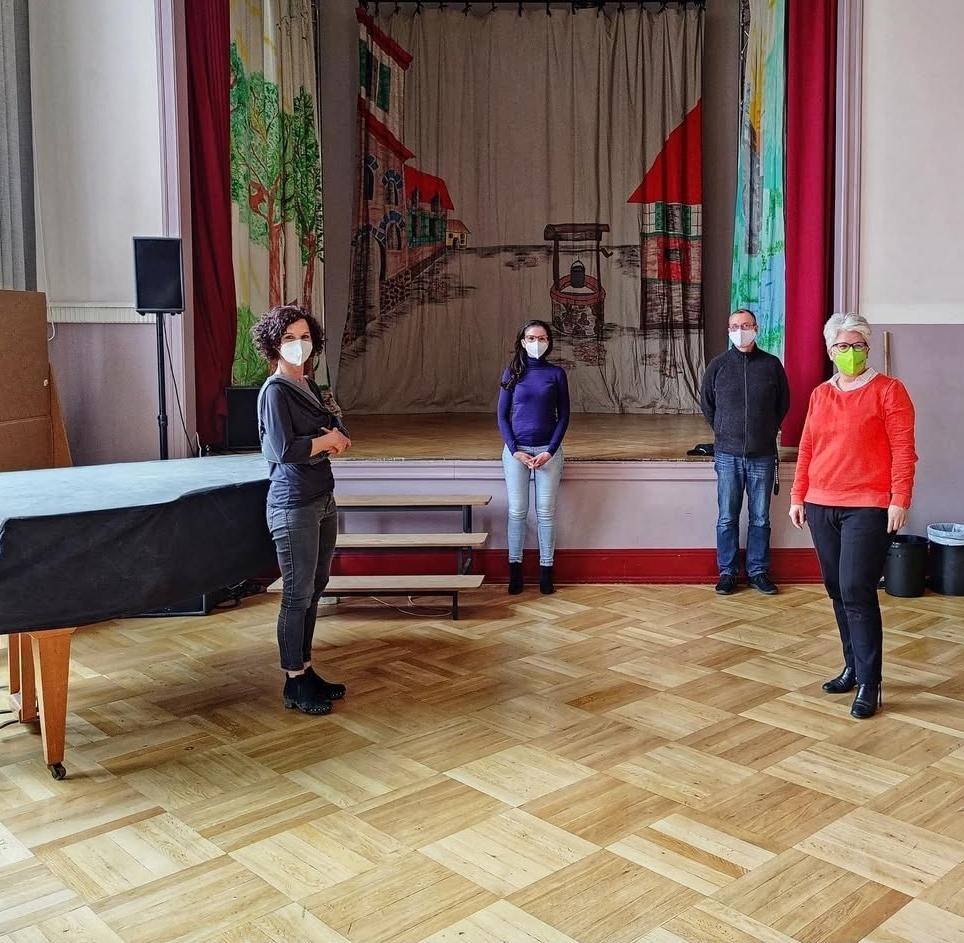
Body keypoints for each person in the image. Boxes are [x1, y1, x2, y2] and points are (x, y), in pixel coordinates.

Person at [790, 312, 917, 719]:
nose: (850, 352)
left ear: (867, 348)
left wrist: (900, 498)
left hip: (868, 505)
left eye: (857, 345)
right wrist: (798, 495)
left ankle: (869, 682)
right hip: (820, 503)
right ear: (830, 351)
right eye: (842, 346)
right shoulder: (820, 395)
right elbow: (807, 447)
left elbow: (904, 450)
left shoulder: (889, 391)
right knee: (836, 589)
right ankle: (852, 667)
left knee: (857, 590)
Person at [253, 304, 352, 715]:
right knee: (296, 595)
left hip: (322, 497)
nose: (299, 344)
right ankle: (293, 680)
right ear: (274, 344)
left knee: (315, 587)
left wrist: (336, 437)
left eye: (305, 337)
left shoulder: (308, 384)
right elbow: (282, 449)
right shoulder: (275, 391)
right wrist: (328, 442)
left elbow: (334, 424)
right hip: (293, 503)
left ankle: (307, 669)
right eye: (290, 338)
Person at [700, 309, 790, 596]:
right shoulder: (718, 366)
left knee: (760, 518)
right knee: (727, 517)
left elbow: (783, 403)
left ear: (756, 328)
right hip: (727, 455)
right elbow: (707, 403)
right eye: (735, 326)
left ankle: (758, 571)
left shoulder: (772, 365)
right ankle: (727, 572)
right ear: (729, 331)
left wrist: (766, 429)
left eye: (746, 325)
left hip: (762, 455)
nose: (741, 330)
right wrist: (723, 430)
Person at [497, 319, 570, 595]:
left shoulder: (556, 374)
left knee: (546, 513)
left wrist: (550, 451)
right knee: (517, 511)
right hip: (516, 451)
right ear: (522, 341)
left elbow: (564, 416)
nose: (536, 343)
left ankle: (546, 572)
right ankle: (515, 571)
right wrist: (514, 449)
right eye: (531, 338)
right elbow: (502, 416)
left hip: (547, 452)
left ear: (549, 342)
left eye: (541, 338)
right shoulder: (512, 372)